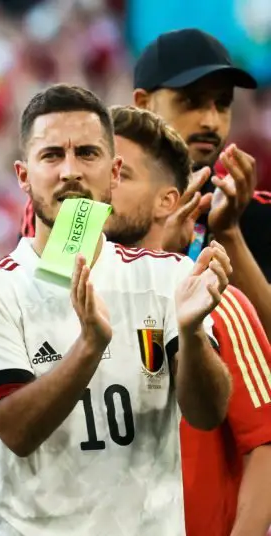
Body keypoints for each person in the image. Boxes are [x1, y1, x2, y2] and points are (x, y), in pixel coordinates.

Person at [0, 83, 232, 536]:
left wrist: (193, 333)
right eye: (51, 156)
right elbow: (17, 432)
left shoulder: (169, 276)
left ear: (114, 172)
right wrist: (89, 347)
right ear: (23, 175)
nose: (70, 171)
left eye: (87, 153)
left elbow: (207, 414)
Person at [106, 104, 271, 536]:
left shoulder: (220, 303)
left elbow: (266, 444)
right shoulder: (81, 305)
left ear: (167, 201)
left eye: (121, 176)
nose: (101, 189)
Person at [132, 28, 271, 335]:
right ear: (143, 103)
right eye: (190, 101)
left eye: (222, 103)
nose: (210, 121)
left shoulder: (257, 214)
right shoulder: (90, 208)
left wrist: (229, 232)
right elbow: (50, 315)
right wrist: (158, 251)